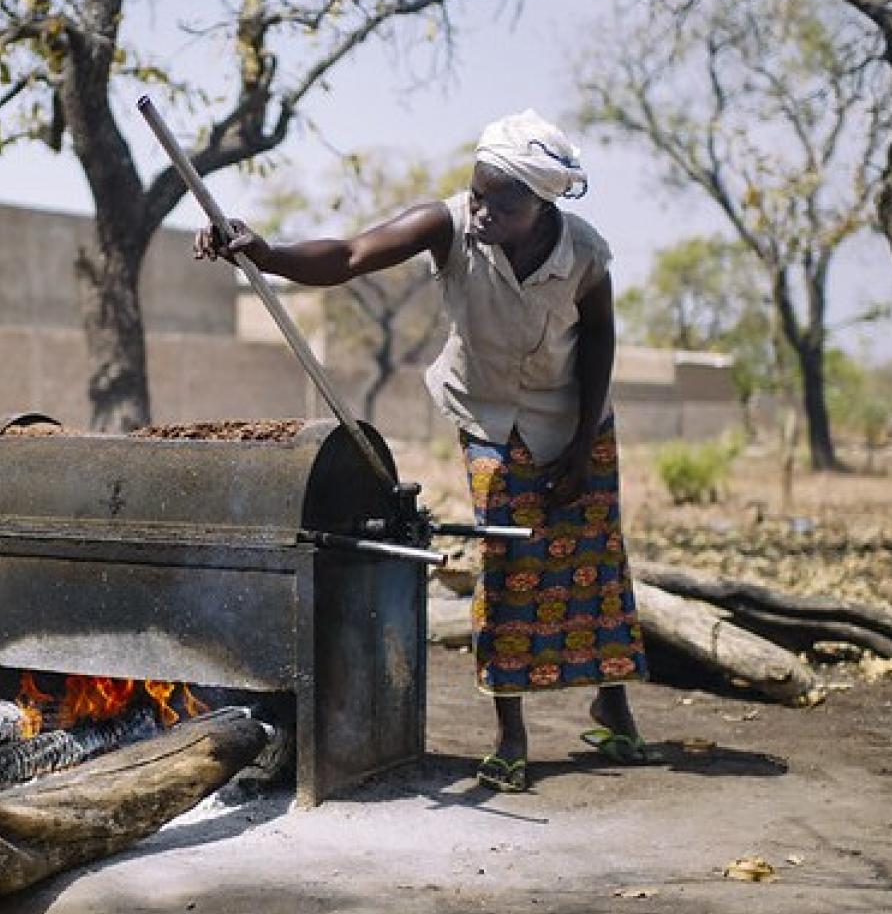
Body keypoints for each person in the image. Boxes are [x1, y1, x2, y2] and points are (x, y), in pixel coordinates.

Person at [194, 110, 650, 794]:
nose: (482, 209)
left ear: (540, 203)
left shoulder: (585, 254)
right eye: (478, 191)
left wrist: (583, 444)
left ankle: (612, 706)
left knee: (595, 561)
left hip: (576, 419)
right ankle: (511, 733)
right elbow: (350, 255)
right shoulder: (449, 225)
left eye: (503, 201)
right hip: (491, 418)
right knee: (508, 564)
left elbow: (601, 343)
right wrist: (268, 253)